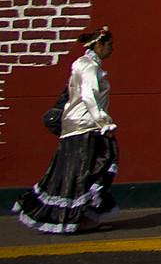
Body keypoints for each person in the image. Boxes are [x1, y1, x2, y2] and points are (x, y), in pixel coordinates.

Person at [13, 26, 119, 234]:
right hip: (84, 127)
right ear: (98, 45)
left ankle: (81, 215)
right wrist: (104, 122)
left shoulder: (83, 64)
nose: (111, 49)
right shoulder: (88, 66)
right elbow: (90, 96)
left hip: (77, 127)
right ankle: (76, 217)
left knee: (76, 173)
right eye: (109, 45)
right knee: (93, 168)